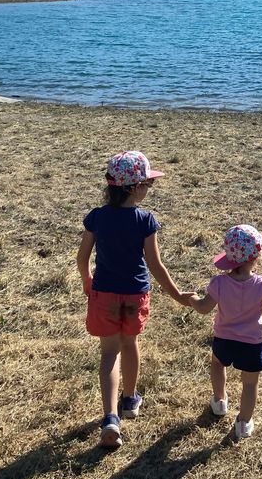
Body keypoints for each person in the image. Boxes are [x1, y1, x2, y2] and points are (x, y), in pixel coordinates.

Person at [77, 150, 185, 449]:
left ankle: (110, 417)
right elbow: (155, 265)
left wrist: (87, 280)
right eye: (148, 184)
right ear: (134, 187)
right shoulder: (145, 220)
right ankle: (130, 399)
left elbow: (82, 257)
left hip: (104, 294)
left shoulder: (97, 217)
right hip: (135, 294)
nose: (149, 188)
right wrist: (178, 295)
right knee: (130, 344)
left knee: (109, 353)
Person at [183, 224, 262, 439]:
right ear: (257, 257)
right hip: (252, 344)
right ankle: (244, 422)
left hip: (224, 340)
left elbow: (203, 308)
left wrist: (192, 299)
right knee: (250, 383)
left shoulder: (219, 283)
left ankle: (220, 401)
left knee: (217, 364)